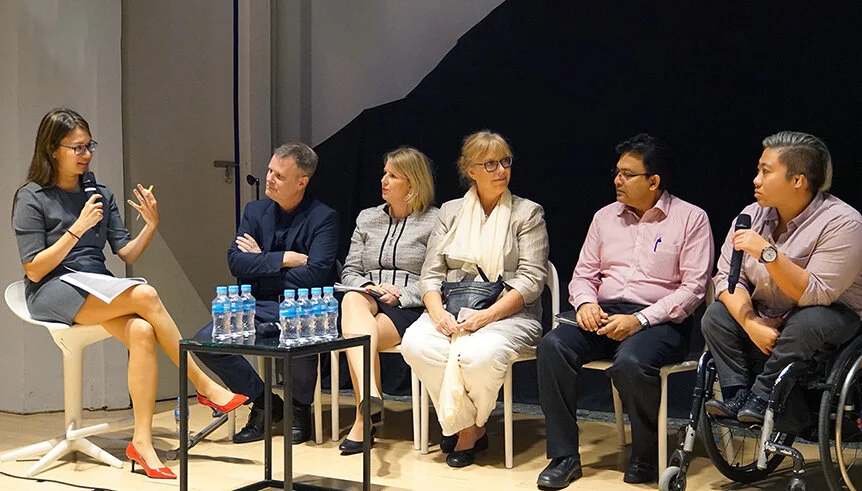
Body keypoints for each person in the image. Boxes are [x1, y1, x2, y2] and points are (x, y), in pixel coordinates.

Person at [11, 108, 247, 480]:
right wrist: (76, 229)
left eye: (90, 146)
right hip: (52, 289)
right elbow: (34, 268)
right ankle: (203, 384)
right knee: (147, 295)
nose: (86, 154)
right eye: (77, 147)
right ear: (53, 149)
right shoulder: (32, 196)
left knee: (141, 331)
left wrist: (151, 226)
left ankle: (143, 442)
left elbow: (126, 253)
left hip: (98, 286)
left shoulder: (99, 192)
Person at [536, 133, 713, 488]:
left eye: (627, 174)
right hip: (605, 313)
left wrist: (640, 320)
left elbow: (693, 289)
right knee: (553, 346)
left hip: (659, 321)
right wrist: (585, 303)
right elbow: (584, 273)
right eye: (616, 172)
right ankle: (564, 456)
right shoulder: (604, 218)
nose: (617, 180)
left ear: (654, 181)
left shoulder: (690, 218)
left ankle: (645, 455)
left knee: (631, 363)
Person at [401, 130, 549, 468]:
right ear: (471, 170)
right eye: (491, 164)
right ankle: (469, 425)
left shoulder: (527, 213)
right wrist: (437, 314)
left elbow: (531, 280)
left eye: (505, 162)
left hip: (510, 313)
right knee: (417, 344)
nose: (501, 170)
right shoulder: (450, 212)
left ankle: (467, 431)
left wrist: (486, 317)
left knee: (479, 353)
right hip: (452, 307)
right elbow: (431, 274)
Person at [703, 131, 862, 425]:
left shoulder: (843, 222)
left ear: (797, 180)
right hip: (767, 313)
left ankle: (763, 396)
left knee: (808, 320)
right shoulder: (751, 215)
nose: (756, 180)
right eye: (758, 170)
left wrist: (767, 253)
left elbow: (817, 293)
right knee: (714, 316)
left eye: (766, 171)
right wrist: (751, 323)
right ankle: (736, 393)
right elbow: (727, 279)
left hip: (831, 318)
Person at [193, 142, 339, 444]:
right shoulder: (255, 211)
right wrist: (285, 257)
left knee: (298, 330)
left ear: (301, 182)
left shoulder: (324, 217)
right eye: (269, 171)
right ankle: (264, 402)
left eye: (279, 176)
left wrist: (260, 261)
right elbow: (235, 262)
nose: (269, 179)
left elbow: (317, 274)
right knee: (205, 342)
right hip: (257, 303)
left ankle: (300, 407)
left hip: (304, 305)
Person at [336, 146, 439, 454]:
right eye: (384, 173)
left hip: (411, 306)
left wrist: (402, 294)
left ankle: (365, 419)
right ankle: (368, 397)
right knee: (352, 300)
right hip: (369, 297)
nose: (384, 180)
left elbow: (438, 276)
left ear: (413, 183)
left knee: (356, 338)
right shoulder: (367, 219)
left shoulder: (435, 221)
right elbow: (351, 270)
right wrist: (371, 286)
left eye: (393, 176)